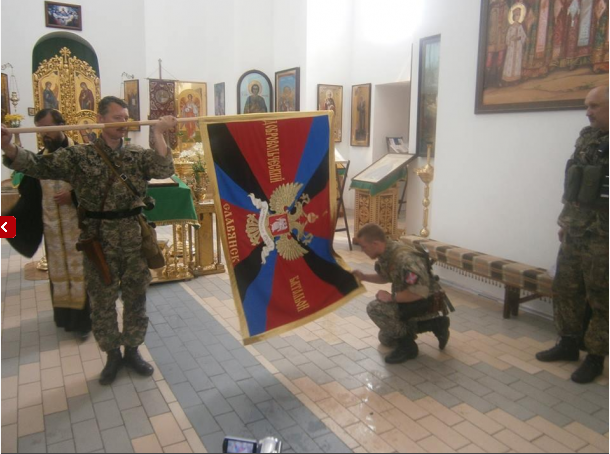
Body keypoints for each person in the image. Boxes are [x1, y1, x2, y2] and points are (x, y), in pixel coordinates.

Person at [2, 96, 177, 386]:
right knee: (102, 302)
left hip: (133, 238)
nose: (123, 123)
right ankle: (112, 355)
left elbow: (163, 169)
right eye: (117, 118)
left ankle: (133, 350)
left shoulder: (136, 155)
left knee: (136, 298)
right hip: (98, 240)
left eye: (126, 118)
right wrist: (8, 146)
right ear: (101, 119)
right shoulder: (80, 156)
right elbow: (37, 166)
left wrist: (158, 132)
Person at [536, 86, 609, 384]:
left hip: (603, 235)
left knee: (601, 297)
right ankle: (568, 343)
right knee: (566, 287)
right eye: (586, 105)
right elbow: (574, 184)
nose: (587, 112)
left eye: (594, 106)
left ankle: (595, 357)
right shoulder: (586, 138)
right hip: (576, 228)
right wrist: (565, 222)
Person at [7, 109, 91, 340]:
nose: (44, 134)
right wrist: (5, 225)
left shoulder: (81, 154)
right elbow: (28, 198)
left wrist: (73, 196)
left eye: (47, 128)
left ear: (61, 125)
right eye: (40, 129)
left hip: (80, 230)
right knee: (59, 274)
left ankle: (84, 322)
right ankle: (66, 318)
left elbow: (97, 188)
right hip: (54, 233)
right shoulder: (40, 160)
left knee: (82, 274)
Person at [353, 224, 452, 364]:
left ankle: (408, 348)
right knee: (386, 338)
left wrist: (391, 297)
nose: (362, 250)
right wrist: (364, 277)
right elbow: (386, 276)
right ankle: (435, 324)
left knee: (375, 308)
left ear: (375, 244)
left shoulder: (405, 259)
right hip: (410, 300)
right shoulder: (387, 252)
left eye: (364, 247)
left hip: (424, 301)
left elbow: (419, 293)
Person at [502, 5, 528, 85]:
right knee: (510, 61)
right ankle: (507, 79)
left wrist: (522, 38)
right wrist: (511, 39)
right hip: (512, 47)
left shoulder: (520, 26)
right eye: (516, 15)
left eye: (519, 15)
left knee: (517, 61)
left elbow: (523, 36)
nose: (518, 17)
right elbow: (507, 38)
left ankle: (515, 78)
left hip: (518, 46)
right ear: (513, 16)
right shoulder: (511, 27)